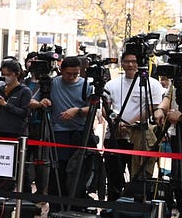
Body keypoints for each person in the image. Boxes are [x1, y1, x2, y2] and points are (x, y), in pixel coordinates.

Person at [103, 49, 164, 192]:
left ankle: (135, 204)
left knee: (138, 179)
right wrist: (114, 123)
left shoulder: (152, 84)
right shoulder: (111, 84)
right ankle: (113, 202)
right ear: (122, 63)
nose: (130, 65)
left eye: (134, 61)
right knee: (113, 177)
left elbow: (152, 108)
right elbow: (105, 107)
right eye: (127, 61)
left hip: (139, 138)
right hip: (115, 136)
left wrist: (128, 125)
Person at [46, 57, 94, 195]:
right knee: (59, 169)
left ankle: (76, 200)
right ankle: (57, 201)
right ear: (61, 70)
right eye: (68, 74)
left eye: (75, 74)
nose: (72, 77)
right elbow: (35, 100)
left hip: (79, 132)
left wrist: (77, 111)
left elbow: (92, 108)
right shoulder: (53, 83)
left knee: (77, 169)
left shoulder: (86, 85)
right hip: (58, 132)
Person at [0, 59, 33, 139]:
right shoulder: (0, 90)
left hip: (16, 132)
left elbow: (25, 113)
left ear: (17, 74)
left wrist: (6, 105)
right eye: (3, 74)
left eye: (8, 75)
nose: (5, 77)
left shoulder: (24, 91)